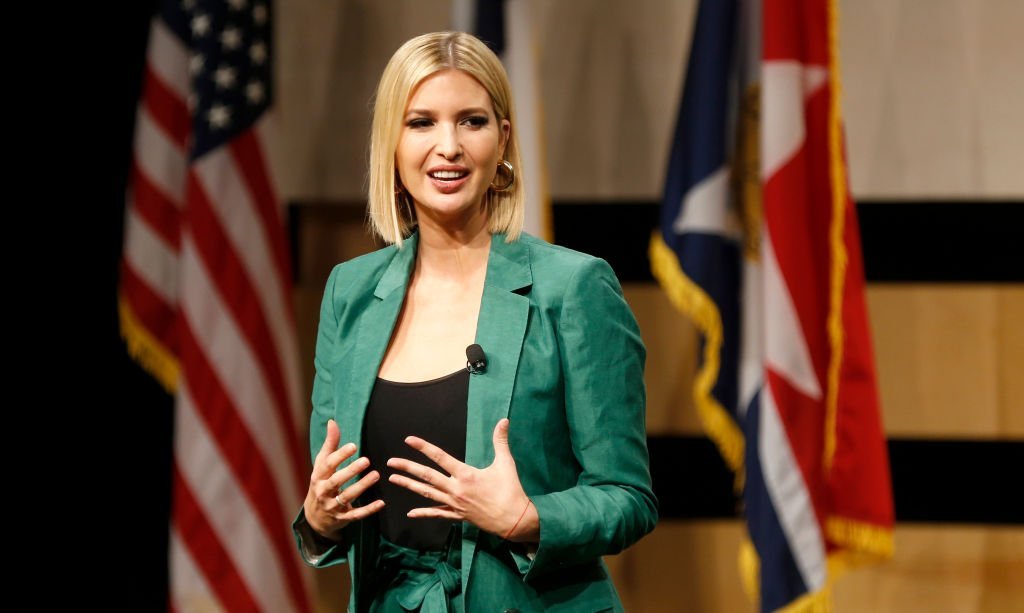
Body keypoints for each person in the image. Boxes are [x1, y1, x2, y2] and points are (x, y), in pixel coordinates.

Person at [292, 31, 657, 612]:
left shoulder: (575, 287)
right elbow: (330, 498)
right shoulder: (350, 293)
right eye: (421, 123)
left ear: (503, 138)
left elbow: (628, 497)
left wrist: (527, 517)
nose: (449, 147)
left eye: (471, 121)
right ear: (391, 142)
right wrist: (319, 518)